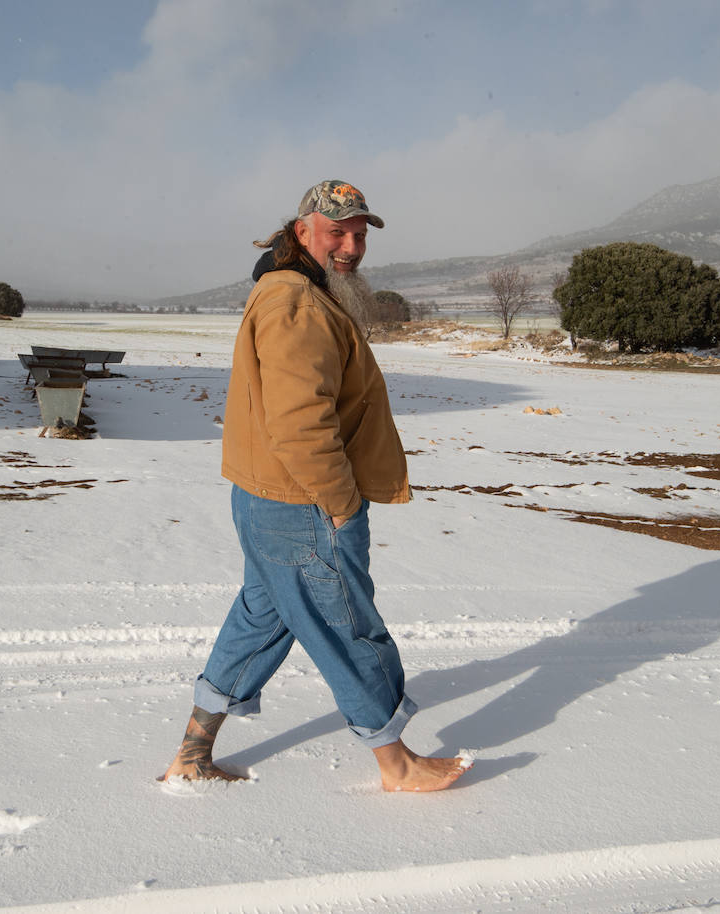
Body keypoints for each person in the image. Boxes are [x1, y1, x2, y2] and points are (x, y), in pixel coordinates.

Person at [160, 180, 470, 793]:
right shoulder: (296, 303)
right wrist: (340, 501)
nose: (351, 245)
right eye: (337, 232)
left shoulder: (295, 291)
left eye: (359, 233)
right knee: (346, 624)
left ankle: (192, 753)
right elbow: (301, 420)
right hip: (303, 502)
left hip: (267, 496)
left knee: (260, 620)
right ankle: (396, 764)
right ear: (303, 232)